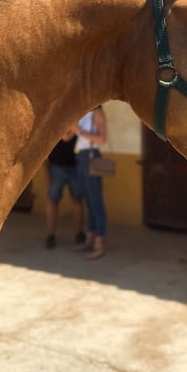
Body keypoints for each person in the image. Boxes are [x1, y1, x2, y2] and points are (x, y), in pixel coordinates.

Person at [72, 105, 108, 259]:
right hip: (81, 157)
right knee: (88, 200)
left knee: (96, 201)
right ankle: (90, 240)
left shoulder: (97, 113)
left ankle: (99, 244)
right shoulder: (83, 113)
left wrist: (79, 130)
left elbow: (102, 139)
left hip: (91, 157)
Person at [44, 131, 86, 249]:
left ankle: (80, 232)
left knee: (78, 200)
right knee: (53, 201)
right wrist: (46, 172)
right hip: (55, 167)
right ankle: (51, 234)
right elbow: (43, 151)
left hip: (75, 168)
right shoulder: (53, 127)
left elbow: (69, 138)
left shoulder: (78, 125)